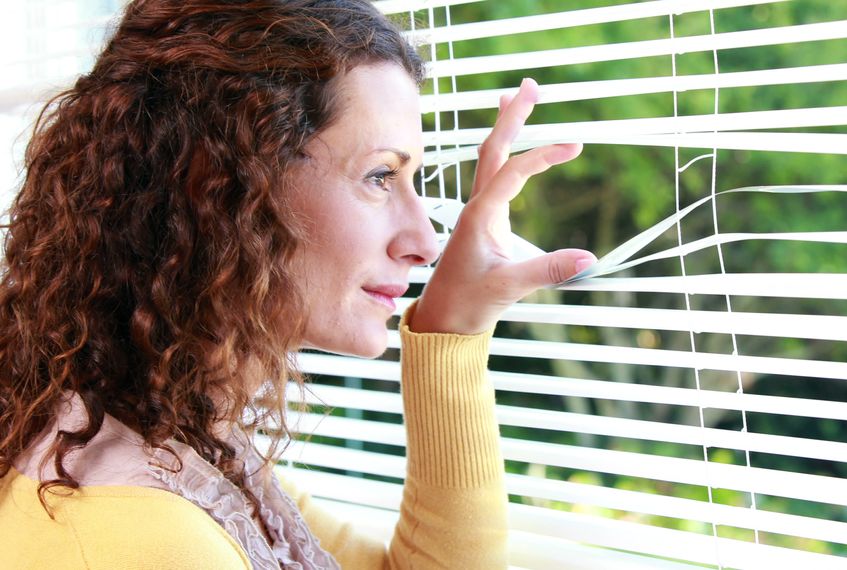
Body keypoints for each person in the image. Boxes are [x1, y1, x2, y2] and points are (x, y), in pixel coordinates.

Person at [0, 1, 595, 568]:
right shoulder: (154, 539)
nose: (425, 240)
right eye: (381, 175)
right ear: (227, 185)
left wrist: (452, 328)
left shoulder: (185, 438)